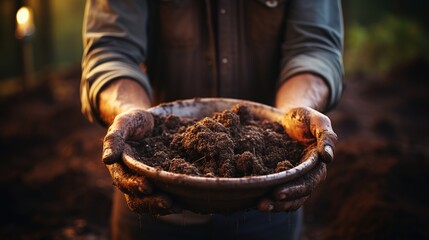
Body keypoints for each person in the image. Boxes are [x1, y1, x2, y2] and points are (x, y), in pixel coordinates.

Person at [80, 0, 343, 239]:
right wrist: (129, 110)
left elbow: (314, 48)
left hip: (270, 199)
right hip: (154, 194)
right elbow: (112, 50)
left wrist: (294, 112)